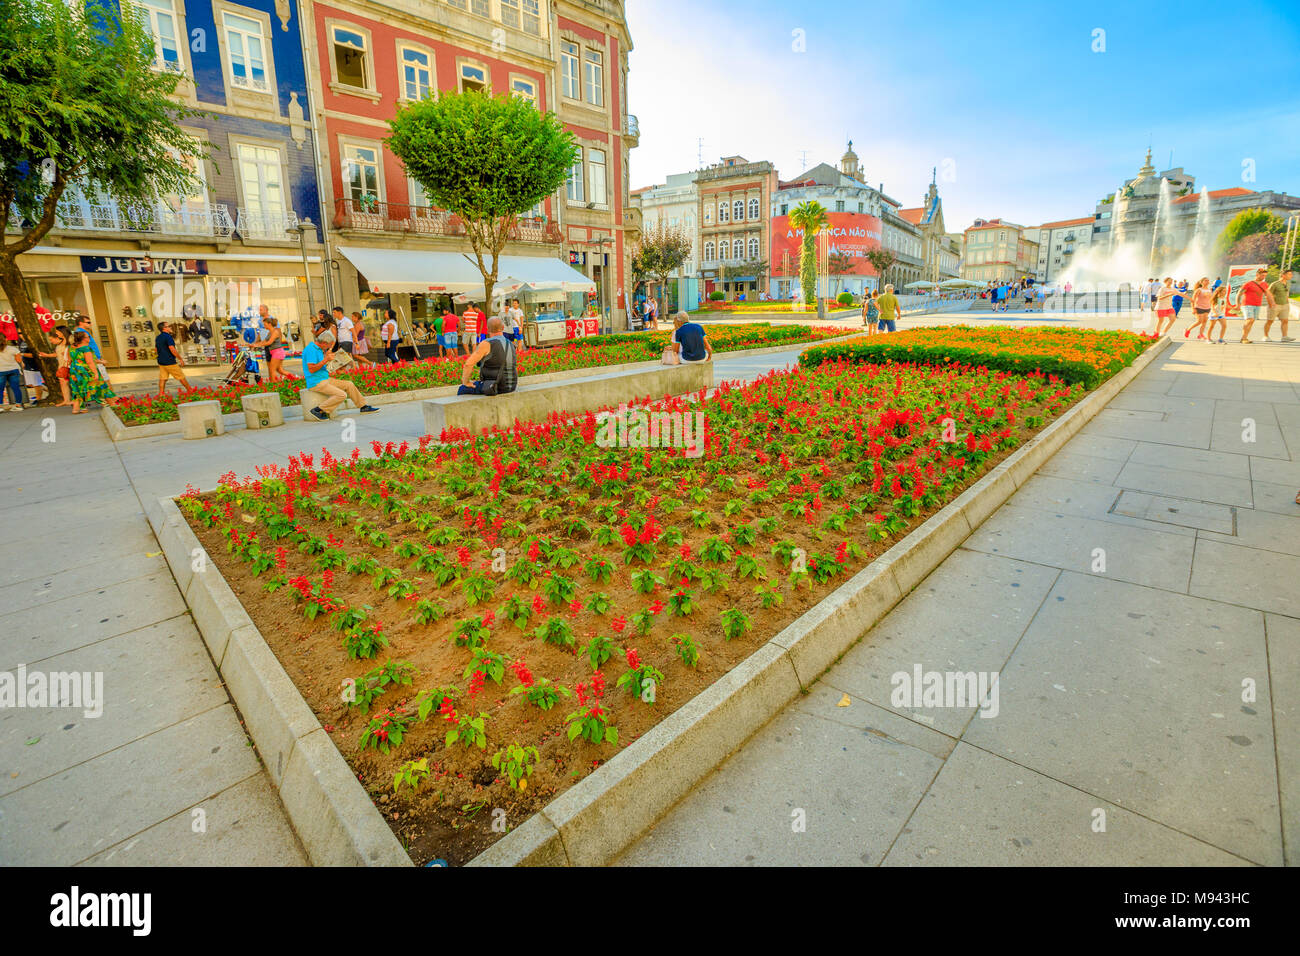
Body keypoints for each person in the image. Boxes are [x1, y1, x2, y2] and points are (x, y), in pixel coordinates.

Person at [302, 329, 379, 420]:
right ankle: (318, 410)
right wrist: (326, 360)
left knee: (349, 384)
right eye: (329, 345)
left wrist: (336, 365)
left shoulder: (318, 349)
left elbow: (321, 366)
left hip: (324, 378)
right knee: (342, 395)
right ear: (324, 343)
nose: (329, 348)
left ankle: (363, 406)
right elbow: (311, 369)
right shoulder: (311, 350)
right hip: (316, 382)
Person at [458, 316, 517, 395]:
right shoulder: (510, 343)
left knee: (462, 389)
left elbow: (468, 364)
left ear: (487, 329)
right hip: (512, 386)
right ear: (503, 327)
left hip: (494, 386)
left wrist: (466, 382)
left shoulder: (487, 343)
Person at [68, 329, 115, 413]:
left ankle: (77, 408)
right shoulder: (86, 348)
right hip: (86, 370)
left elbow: (72, 359)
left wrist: (100, 361)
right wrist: (96, 373)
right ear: (84, 339)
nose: (89, 338)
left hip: (74, 370)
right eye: (88, 336)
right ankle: (112, 404)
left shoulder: (71, 348)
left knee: (77, 388)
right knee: (101, 385)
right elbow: (90, 362)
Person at [155, 321, 196, 396]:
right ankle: (190, 390)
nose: (170, 327)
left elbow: (156, 349)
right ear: (164, 328)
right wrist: (180, 359)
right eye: (168, 326)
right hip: (170, 361)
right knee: (181, 376)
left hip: (161, 361)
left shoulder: (158, 337)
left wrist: (161, 355)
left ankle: (161, 394)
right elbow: (172, 349)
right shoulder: (168, 337)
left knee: (163, 378)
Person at [1237, 267, 1274, 344]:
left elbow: (1268, 294)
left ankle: (1245, 338)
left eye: (1265, 276)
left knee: (1251, 321)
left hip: (1257, 305)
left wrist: (1271, 303)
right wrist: (1238, 304)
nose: (1263, 277)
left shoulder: (1264, 284)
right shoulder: (1248, 283)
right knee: (1250, 319)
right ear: (1257, 275)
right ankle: (1243, 338)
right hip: (1247, 304)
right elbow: (1239, 293)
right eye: (1262, 275)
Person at [74, 314, 111, 385]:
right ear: (81, 323)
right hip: (94, 361)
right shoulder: (81, 333)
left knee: (102, 382)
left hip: (96, 359)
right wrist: (98, 361)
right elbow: (84, 350)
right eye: (88, 322)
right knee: (105, 381)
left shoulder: (84, 332)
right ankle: (111, 396)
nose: (90, 324)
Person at [1263, 270, 1294, 342]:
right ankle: (1265, 336)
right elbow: (1268, 294)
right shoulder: (1275, 284)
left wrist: (1287, 302)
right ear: (1283, 275)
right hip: (1275, 305)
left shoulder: (1288, 283)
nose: (1291, 276)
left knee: (1285, 321)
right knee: (1270, 321)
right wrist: (1271, 304)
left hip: (1285, 305)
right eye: (1289, 274)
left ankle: (1284, 337)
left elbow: (1286, 293)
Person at [16, 336, 45, 404]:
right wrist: (22, 361)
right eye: (19, 333)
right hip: (26, 365)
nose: (21, 335)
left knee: (36, 383)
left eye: (22, 333)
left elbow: (35, 354)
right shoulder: (21, 342)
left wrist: (22, 354)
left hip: (34, 365)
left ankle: (38, 399)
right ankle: (48, 389)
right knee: (29, 383)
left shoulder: (32, 342)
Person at [0, 338, 25, 411]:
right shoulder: (13, 349)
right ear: (6, 340)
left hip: (1, 371)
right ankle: (18, 405)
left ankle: (0, 407)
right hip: (13, 370)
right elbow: (19, 360)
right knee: (16, 388)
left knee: (0, 390)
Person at [260, 315, 288, 380]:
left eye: (265, 324)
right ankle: (295, 377)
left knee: (272, 370)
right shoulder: (270, 332)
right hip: (274, 352)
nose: (264, 326)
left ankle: (274, 386)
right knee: (280, 370)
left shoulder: (275, 332)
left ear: (269, 324)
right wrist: (254, 344)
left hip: (277, 352)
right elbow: (264, 341)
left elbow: (269, 342)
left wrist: (257, 345)